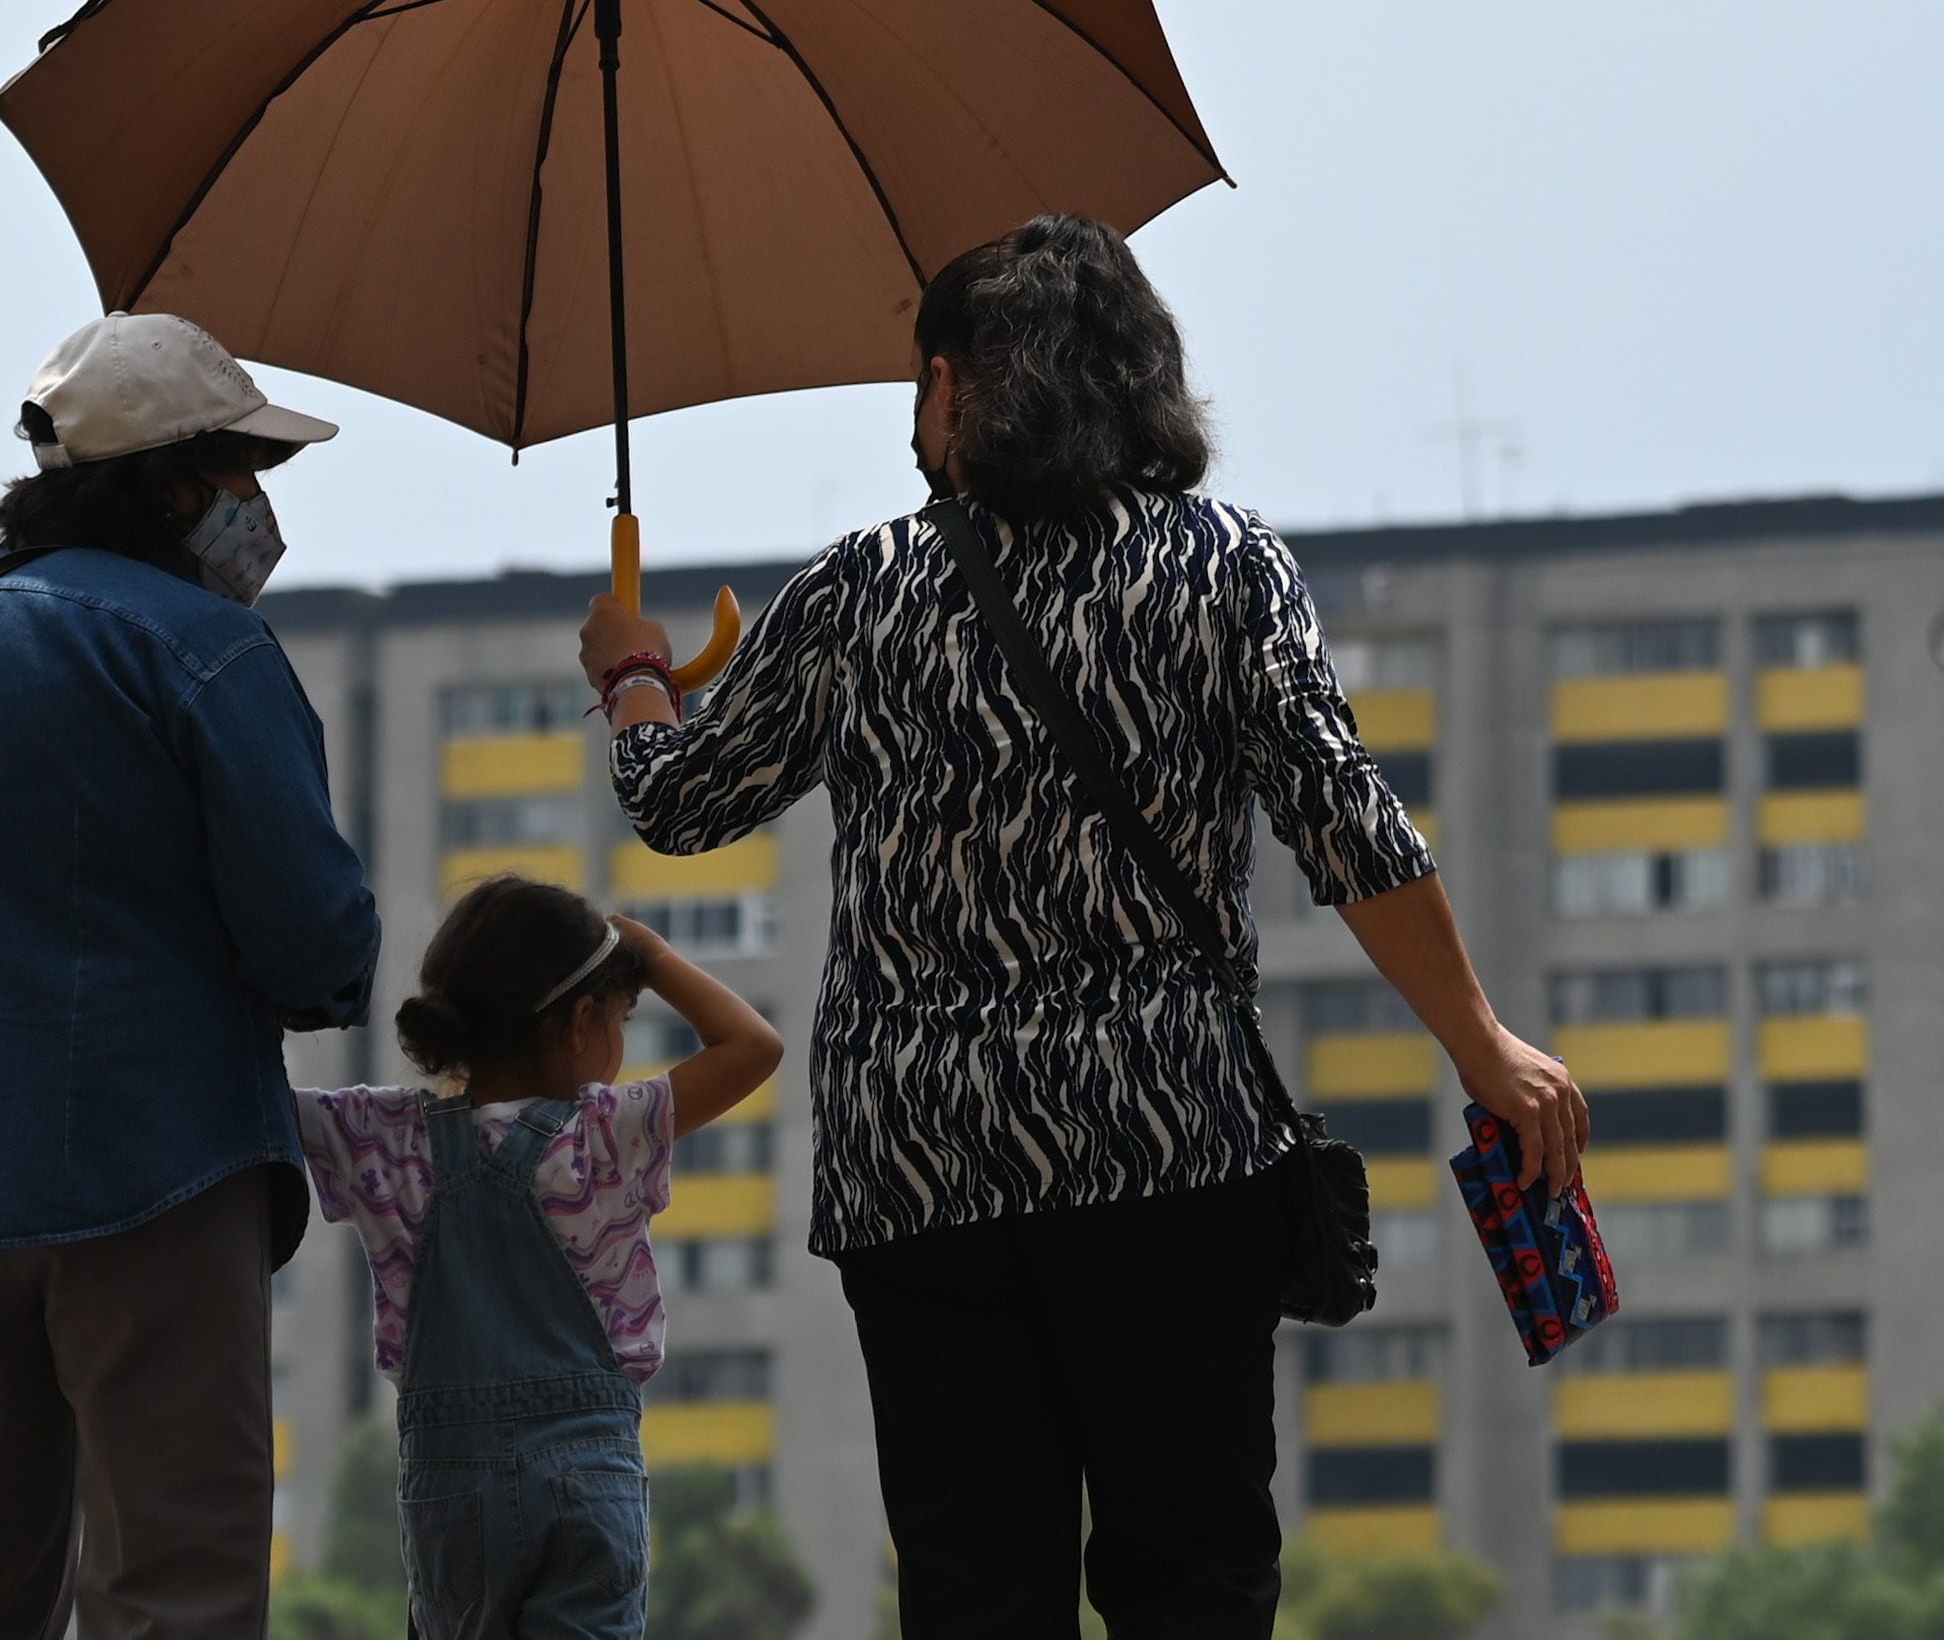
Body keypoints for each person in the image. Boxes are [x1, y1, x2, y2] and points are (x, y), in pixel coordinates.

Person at [580, 213, 1586, 1639]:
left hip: (920, 1167)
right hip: (1169, 1151)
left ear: (949, 387)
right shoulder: (1225, 567)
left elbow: (680, 804)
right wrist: (1482, 1046)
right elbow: (1347, 821)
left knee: (977, 1589)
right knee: (1195, 1577)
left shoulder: (864, 587)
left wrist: (631, 675)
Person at [0, 312, 383, 1640]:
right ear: (171, 482)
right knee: (175, 1582)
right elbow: (316, 946)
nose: (256, 507)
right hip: (155, 1172)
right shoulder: (204, 649)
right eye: (241, 473)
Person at [295, 880, 783, 1640]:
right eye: (620, 1019)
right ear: (580, 1021)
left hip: (448, 1496)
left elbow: (255, 1095)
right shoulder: (605, 1133)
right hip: (586, 1479)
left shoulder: (384, 1135)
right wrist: (648, 952)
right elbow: (756, 1046)